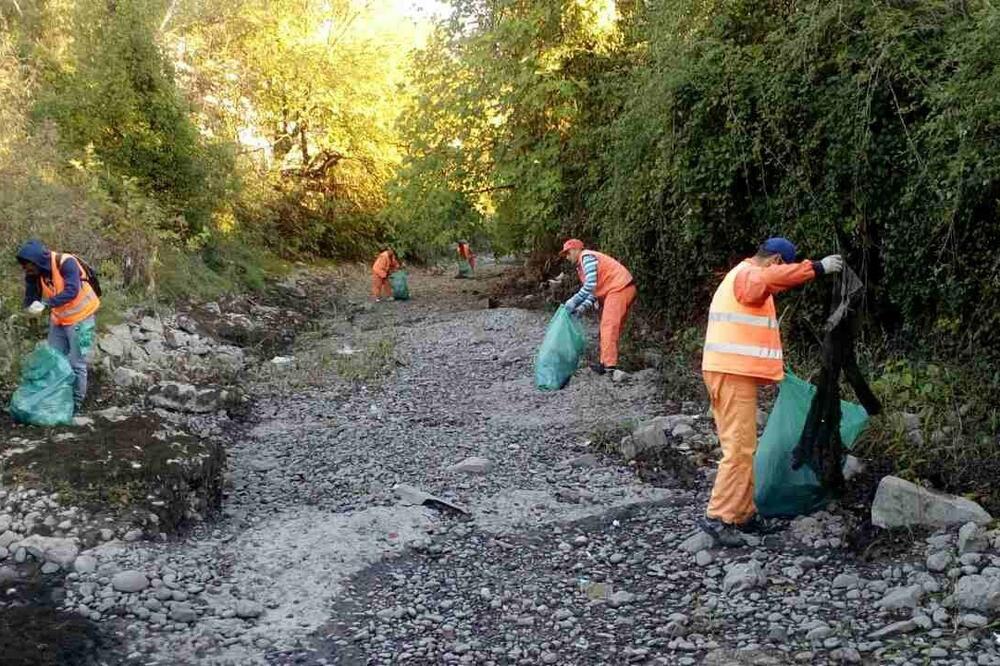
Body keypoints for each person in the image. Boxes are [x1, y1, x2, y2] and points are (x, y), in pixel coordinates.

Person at [698, 237, 843, 545]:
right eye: (784, 268)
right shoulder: (749, 274)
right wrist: (817, 268)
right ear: (777, 261)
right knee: (738, 449)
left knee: (744, 447)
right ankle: (719, 517)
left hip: (731, 373)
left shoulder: (743, 276)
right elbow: (768, 279)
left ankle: (743, 515)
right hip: (730, 374)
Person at [16, 240, 101, 411]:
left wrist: (46, 304)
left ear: (36, 260)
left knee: (77, 364)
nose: (26, 269)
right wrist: (29, 311)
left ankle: (76, 405)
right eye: (24, 266)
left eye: (27, 265)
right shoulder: (34, 274)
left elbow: (72, 291)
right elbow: (30, 298)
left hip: (81, 317)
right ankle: (55, 398)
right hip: (60, 319)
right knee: (53, 360)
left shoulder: (66, 262)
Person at [559, 239, 637, 375]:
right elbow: (593, 293)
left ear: (577, 249)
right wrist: (580, 309)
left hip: (619, 288)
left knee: (608, 326)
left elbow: (590, 286)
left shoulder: (586, 258)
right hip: (622, 288)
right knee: (611, 328)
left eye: (568, 252)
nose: (567, 256)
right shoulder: (582, 266)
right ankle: (607, 363)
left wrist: (573, 301)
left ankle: (608, 366)